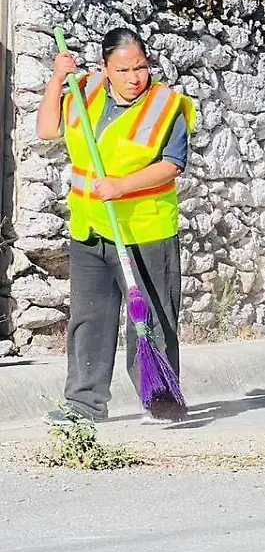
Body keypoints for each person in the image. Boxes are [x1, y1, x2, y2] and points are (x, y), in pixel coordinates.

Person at [36, 28, 197, 426]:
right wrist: (57, 80)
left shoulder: (166, 105)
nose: (134, 77)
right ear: (105, 68)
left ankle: (160, 401)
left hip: (146, 230)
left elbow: (172, 164)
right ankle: (83, 404)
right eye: (123, 69)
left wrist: (121, 186)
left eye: (140, 67)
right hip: (90, 229)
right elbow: (47, 130)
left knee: (154, 319)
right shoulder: (84, 90)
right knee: (89, 320)